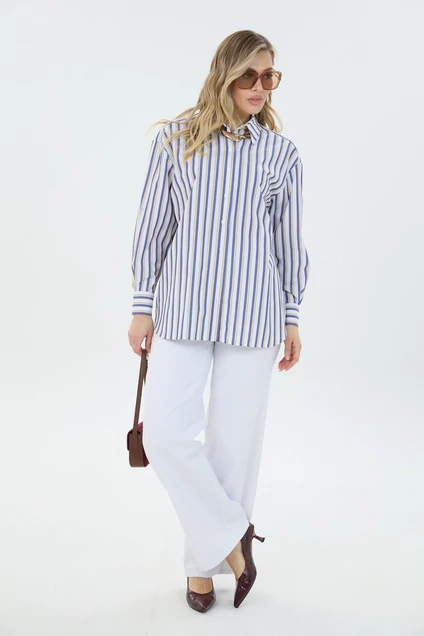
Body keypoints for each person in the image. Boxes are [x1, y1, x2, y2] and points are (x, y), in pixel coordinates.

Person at [127, 29, 310, 612]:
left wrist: (292, 317)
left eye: (269, 76)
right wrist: (141, 304)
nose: (260, 87)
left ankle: (200, 568)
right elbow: (153, 226)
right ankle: (235, 541)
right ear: (224, 73)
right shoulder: (175, 141)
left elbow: (288, 242)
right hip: (182, 310)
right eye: (249, 75)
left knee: (234, 448)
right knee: (165, 436)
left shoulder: (281, 154)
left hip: (255, 315)